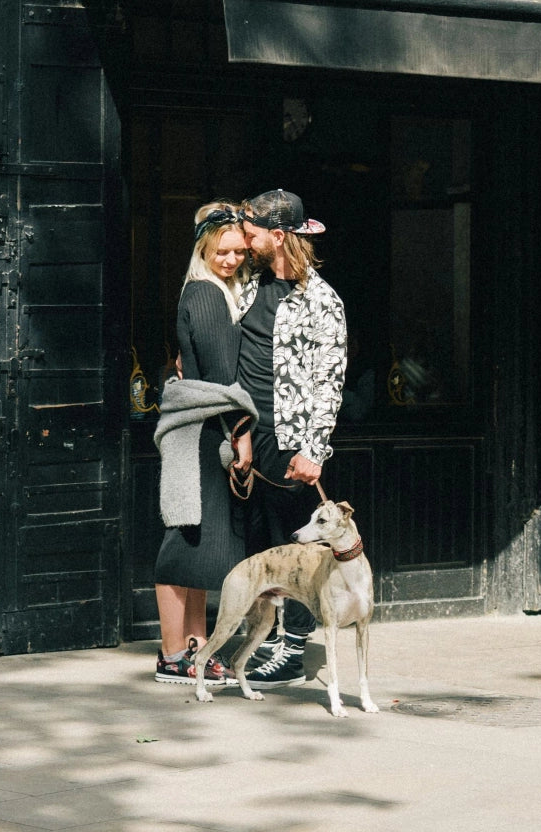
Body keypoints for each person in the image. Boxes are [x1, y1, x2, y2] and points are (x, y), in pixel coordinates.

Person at [234, 189, 348, 689]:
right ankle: (263, 638)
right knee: (257, 544)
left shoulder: (322, 301)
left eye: (253, 232)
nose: (245, 239)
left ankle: (293, 647)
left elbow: (330, 379)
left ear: (278, 236)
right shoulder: (247, 284)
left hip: (289, 440)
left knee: (293, 550)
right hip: (245, 434)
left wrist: (314, 449)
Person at [152, 202, 257, 685]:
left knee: (196, 544)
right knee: (183, 540)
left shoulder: (205, 292)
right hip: (201, 436)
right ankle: (173, 653)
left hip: (197, 433)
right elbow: (221, 379)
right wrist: (242, 436)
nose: (232, 259)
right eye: (222, 250)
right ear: (203, 248)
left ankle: (194, 647)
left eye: (239, 251)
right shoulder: (209, 297)